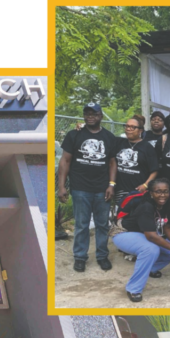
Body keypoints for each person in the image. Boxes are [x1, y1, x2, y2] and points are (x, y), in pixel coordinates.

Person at [57, 103, 119, 273]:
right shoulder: (74, 135)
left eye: (94, 114)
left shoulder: (109, 137)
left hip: (102, 188)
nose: (90, 116)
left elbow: (113, 163)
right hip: (80, 188)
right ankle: (80, 257)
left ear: (101, 116)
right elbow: (65, 161)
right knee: (82, 225)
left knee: (102, 224)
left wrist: (111, 185)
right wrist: (61, 186)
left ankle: (102, 255)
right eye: (87, 113)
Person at [112, 179, 170, 302]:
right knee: (151, 249)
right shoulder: (146, 206)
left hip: (144, 234)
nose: (162, 195)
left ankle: (151, 268)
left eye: (165, 191)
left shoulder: (166, 205)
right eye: (158, 191)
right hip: (124, 233)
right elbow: (151, 236)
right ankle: (133, 289)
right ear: (151, 193)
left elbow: (168, 227)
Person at [113, 115, 159, 201]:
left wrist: (145, 185)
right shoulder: (119, 143)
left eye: (133, 127)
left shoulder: (147, 147)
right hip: (120, 191)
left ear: (140, 130)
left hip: (139, 192)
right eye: (127, 126)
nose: (129, 129)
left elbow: (154, 171)